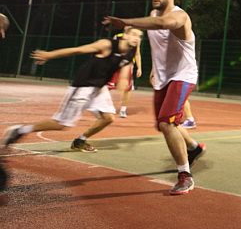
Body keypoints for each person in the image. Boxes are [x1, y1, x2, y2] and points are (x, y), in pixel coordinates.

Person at [102, 0, 207, 195]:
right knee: (163, 124)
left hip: (183, 75)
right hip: (163, 76)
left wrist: (127, 22)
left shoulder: (180, 16)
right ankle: (194, 148)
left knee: (167, 122)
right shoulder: (152, 14)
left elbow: (163, 24)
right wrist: (154, 68)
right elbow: (158, 43)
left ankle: (185, 176)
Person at [2, 27, 143, 153]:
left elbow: (124, 74)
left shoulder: (129, 54)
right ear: (125, 35)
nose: (137, 38)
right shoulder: (107, 45)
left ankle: (80, 140)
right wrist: (50, 55)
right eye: (134, 35)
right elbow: (77, 50)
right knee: (61, 124)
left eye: (140, 36)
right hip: (83, 87)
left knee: (108, 118)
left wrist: (122, 84)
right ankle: (19, 130)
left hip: (99, 89)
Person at [108, 31, 143, 118]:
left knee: (127, 89)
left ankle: (123, 110)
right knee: (108, 87)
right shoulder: (117, 37)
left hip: (128, 65)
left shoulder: (136, 40)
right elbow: (111, 50)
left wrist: (139, 67)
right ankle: (106, 107)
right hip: (116, 64)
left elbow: (137, 54)